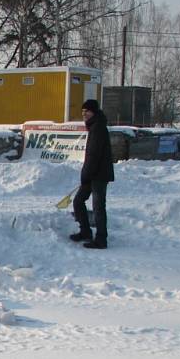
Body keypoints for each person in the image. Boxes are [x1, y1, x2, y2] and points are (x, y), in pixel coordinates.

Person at [70, 99, 115, 249]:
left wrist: (85, 175)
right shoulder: (95, 126)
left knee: (98, 207)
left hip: (99, 175)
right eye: (82, 112)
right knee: (78, 201)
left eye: (87, 111)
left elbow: (94, 155)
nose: (84, 114)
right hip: (94, 172)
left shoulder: (98, 128)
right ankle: (85, 232)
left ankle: (101, 240)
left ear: (93, 112)